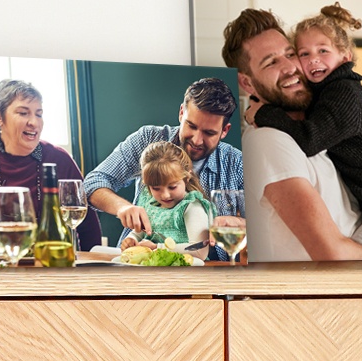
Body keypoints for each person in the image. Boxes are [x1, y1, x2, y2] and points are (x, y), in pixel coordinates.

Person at [222, 8, 362, 262]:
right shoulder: (267, 140)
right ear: (247, 84)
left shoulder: (318, 126)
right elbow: (332, 253)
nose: (290, 67)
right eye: (271, 62)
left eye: (290, 54)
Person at [84, 78, 243, 259]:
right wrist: (123, 208)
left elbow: (267, 224)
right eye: (191, 126)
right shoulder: (148, 140)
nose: (197, 140)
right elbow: (92, 183)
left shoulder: (236, 163)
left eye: (209, 133)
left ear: (225, 130)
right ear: (182, 112)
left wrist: (240, 223)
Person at [0, 79, 102, 251]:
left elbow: (88, 227)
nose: (34, 122)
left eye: (38, 114)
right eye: (23, 113)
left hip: (47, 264)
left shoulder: (59, 158)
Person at [119, 142, 213, 261]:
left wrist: (157, 248)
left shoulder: (192, 206)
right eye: (156, 188)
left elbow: (199, 250)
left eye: (172, 187)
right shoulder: (150, 204)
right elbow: (141, 232)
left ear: (186, 178)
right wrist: (132, 239)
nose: (165, 195)